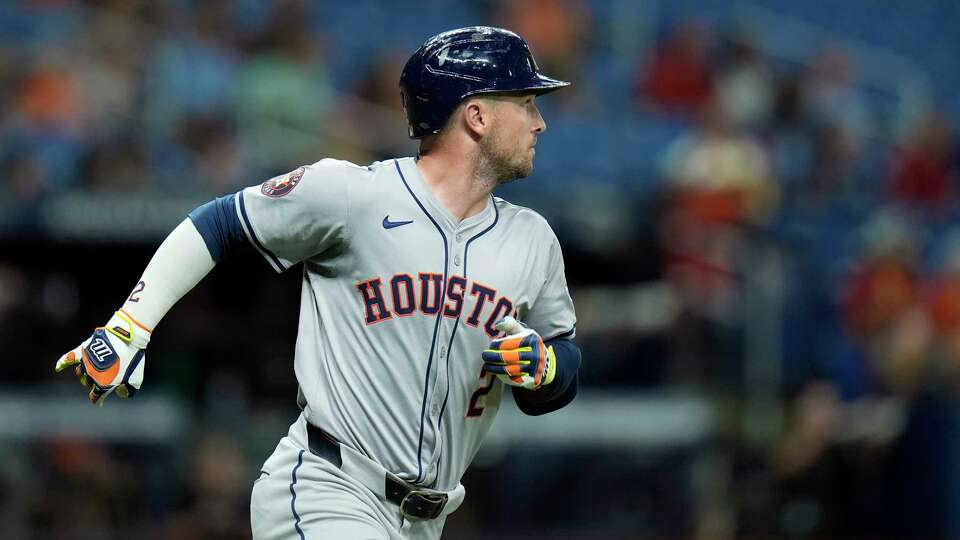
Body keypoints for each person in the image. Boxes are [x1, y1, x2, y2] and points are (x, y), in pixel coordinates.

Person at [54, 26, 582, 540]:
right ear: (477, 115)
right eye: (527, 103)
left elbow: (559, 366)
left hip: (426, 519)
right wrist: (130, 326)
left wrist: (547, 368)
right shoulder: (354, 195)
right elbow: (218, 222)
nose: (539, 122)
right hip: (328, 487)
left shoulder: (532, 241)